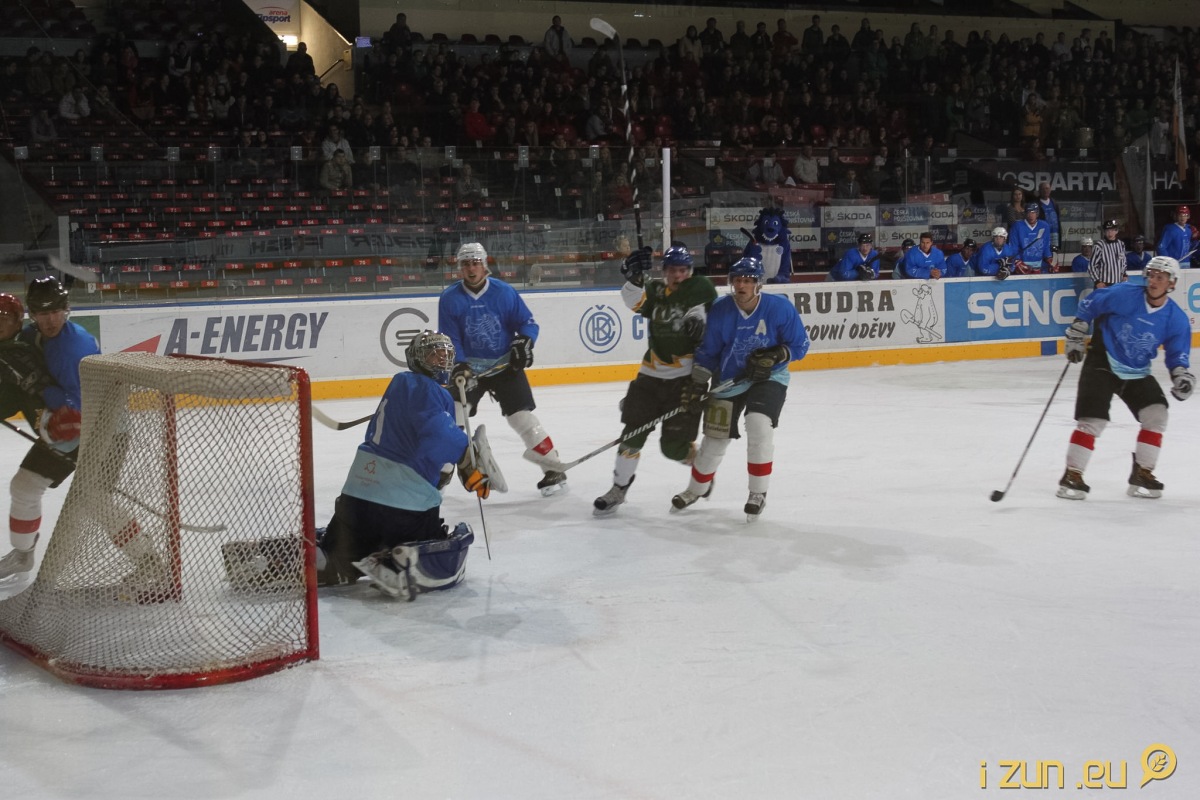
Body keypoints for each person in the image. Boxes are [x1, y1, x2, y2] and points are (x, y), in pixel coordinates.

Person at [313, 332, 485, 599]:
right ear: (416, 359)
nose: (442, 361)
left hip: (355, 498)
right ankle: (399, 564)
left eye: (446, 355)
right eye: (434, 355)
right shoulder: (431, 391)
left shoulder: (398, 383)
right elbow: (439, 438)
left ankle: (324, 557)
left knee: (342, 551)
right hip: (403, 507)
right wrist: (468, 455)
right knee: (443, 547)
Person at [670, 256, 810, 521]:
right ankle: (695, 489)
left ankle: (758, 492)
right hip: (729, 379)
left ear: (758, 284)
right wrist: (698, 382)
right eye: (737, 280)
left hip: (770, 377)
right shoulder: (720, 310)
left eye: (748, 280)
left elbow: (800, 345)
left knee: (758, 424)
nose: (742, 285)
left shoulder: (779, 308)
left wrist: (776, 355)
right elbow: (708, 353)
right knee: (715, 438)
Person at [593, 245, 717, 516]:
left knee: (672, 449)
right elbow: (634, 301)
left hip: (684, 382)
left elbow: (702, 309)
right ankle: (619, 488)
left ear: (690, 271)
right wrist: (634, 278)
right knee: (632, 436)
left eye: (682, 270)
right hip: (649, 378)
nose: (677, 275)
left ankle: (703, 469)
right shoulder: (657, 291)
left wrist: (697, 322)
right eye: (672, 270)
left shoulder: (701, 287)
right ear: (665, 271)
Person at [1057, 256, 1193, 500]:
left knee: (1156, 414)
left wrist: (1180, 375)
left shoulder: (1176, 319)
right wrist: (1076, 332)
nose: (1153, 281)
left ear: (1171, 283)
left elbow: (1177, 354)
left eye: (1160, 277)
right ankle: (1073, 474)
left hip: (1136, 370)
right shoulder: (1125, 293)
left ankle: (1143, 472)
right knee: (1093, 419)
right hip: (1103, 359)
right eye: (1151, 275)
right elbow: (1091, 303)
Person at [438, 242, 567, 495]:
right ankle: (440, 476)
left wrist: (524, 341)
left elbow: (528, 323)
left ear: (485, 264)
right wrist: (459, 365)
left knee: (522, 419)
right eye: (466, 264)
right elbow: (450, 337)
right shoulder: (450, 298)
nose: (471, 268)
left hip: (505, 366)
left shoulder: (504, 292)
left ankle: (553, 467)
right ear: (460, 268)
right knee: (453, 418)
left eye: (476, 263)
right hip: (470, 370)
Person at [0, 278, 101, 581]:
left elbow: (80, 407)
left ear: (66, 309)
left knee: (96, 499)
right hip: (69, 427)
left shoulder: (72, 349)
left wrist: (42, 389)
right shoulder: (30, 337)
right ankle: (22, 555)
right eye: (43, 313)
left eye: (56, 311)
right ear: (31, 314)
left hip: (96, 429)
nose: (51, 320)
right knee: (25, 487)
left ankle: (148, 560)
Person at [1008, 203, 1053, 273]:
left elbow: (1046, 246)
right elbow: (1013, 247)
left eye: (1033, 212)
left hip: (1040, 265)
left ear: (1037, 214)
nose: (1031, 215)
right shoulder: (1017, 226)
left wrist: (1049, 259)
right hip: (1022, 264)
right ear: (1025, 213)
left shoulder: (1044, 226)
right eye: (1028, 212)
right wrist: (1017, 261)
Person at [1090, 219, 1127, 288]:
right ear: (1104, 232)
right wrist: (1097, 281)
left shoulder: (1121, 244)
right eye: (1107, 231)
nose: (1110, 233)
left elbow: (1123, 261)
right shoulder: (1099, 245)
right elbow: (1092, 266)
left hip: (1118, 283)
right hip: (1103, 284)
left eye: (1112, 230)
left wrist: (1124, 274)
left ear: (1116, 231)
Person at [1035, 181, 1062, 248]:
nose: (1045, 191)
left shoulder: (1054, 203)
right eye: (1043, 189)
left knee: (1053, 252)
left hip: (1054, 235)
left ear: (1050, 190)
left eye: (1047, 188)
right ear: (1039, 191)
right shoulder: (1036, 203)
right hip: (1043, 234)